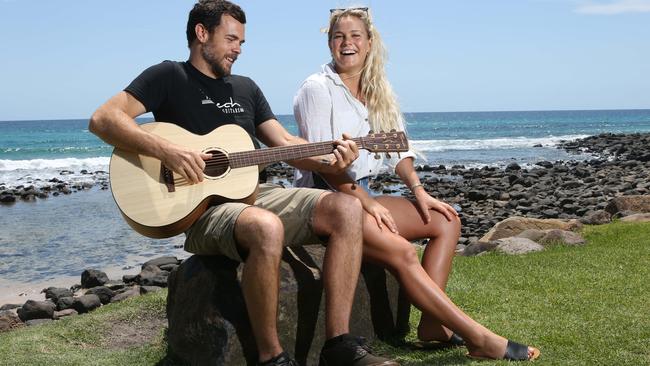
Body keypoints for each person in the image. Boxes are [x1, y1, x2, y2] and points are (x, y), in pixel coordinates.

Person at [89, 2, 399, 366]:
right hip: (201, 210)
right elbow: (103, 118)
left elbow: (284, 144)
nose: (238, 48)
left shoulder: (246, 88)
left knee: (346, 207)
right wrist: (168, 151)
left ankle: (339, 345)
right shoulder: (168, 76)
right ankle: (272, 358)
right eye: (231, 39)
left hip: (255, 194)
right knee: (266, 227)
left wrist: (331, 157)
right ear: (201, 34)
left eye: (242, 42)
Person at [293, 7, 540, 362]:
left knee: (446, 219)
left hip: (363, 192)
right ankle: (480, 339)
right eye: (338, 37)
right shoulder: (317, 89)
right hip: (329, 200)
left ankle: (433, 326)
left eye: (355, 36)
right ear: (330, 43)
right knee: (403, 251)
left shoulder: (376, 88)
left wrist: (419, 191)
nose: (347, 44)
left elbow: (399, 147)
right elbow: (323, 166)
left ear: (369, 42)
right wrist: (369, 203)